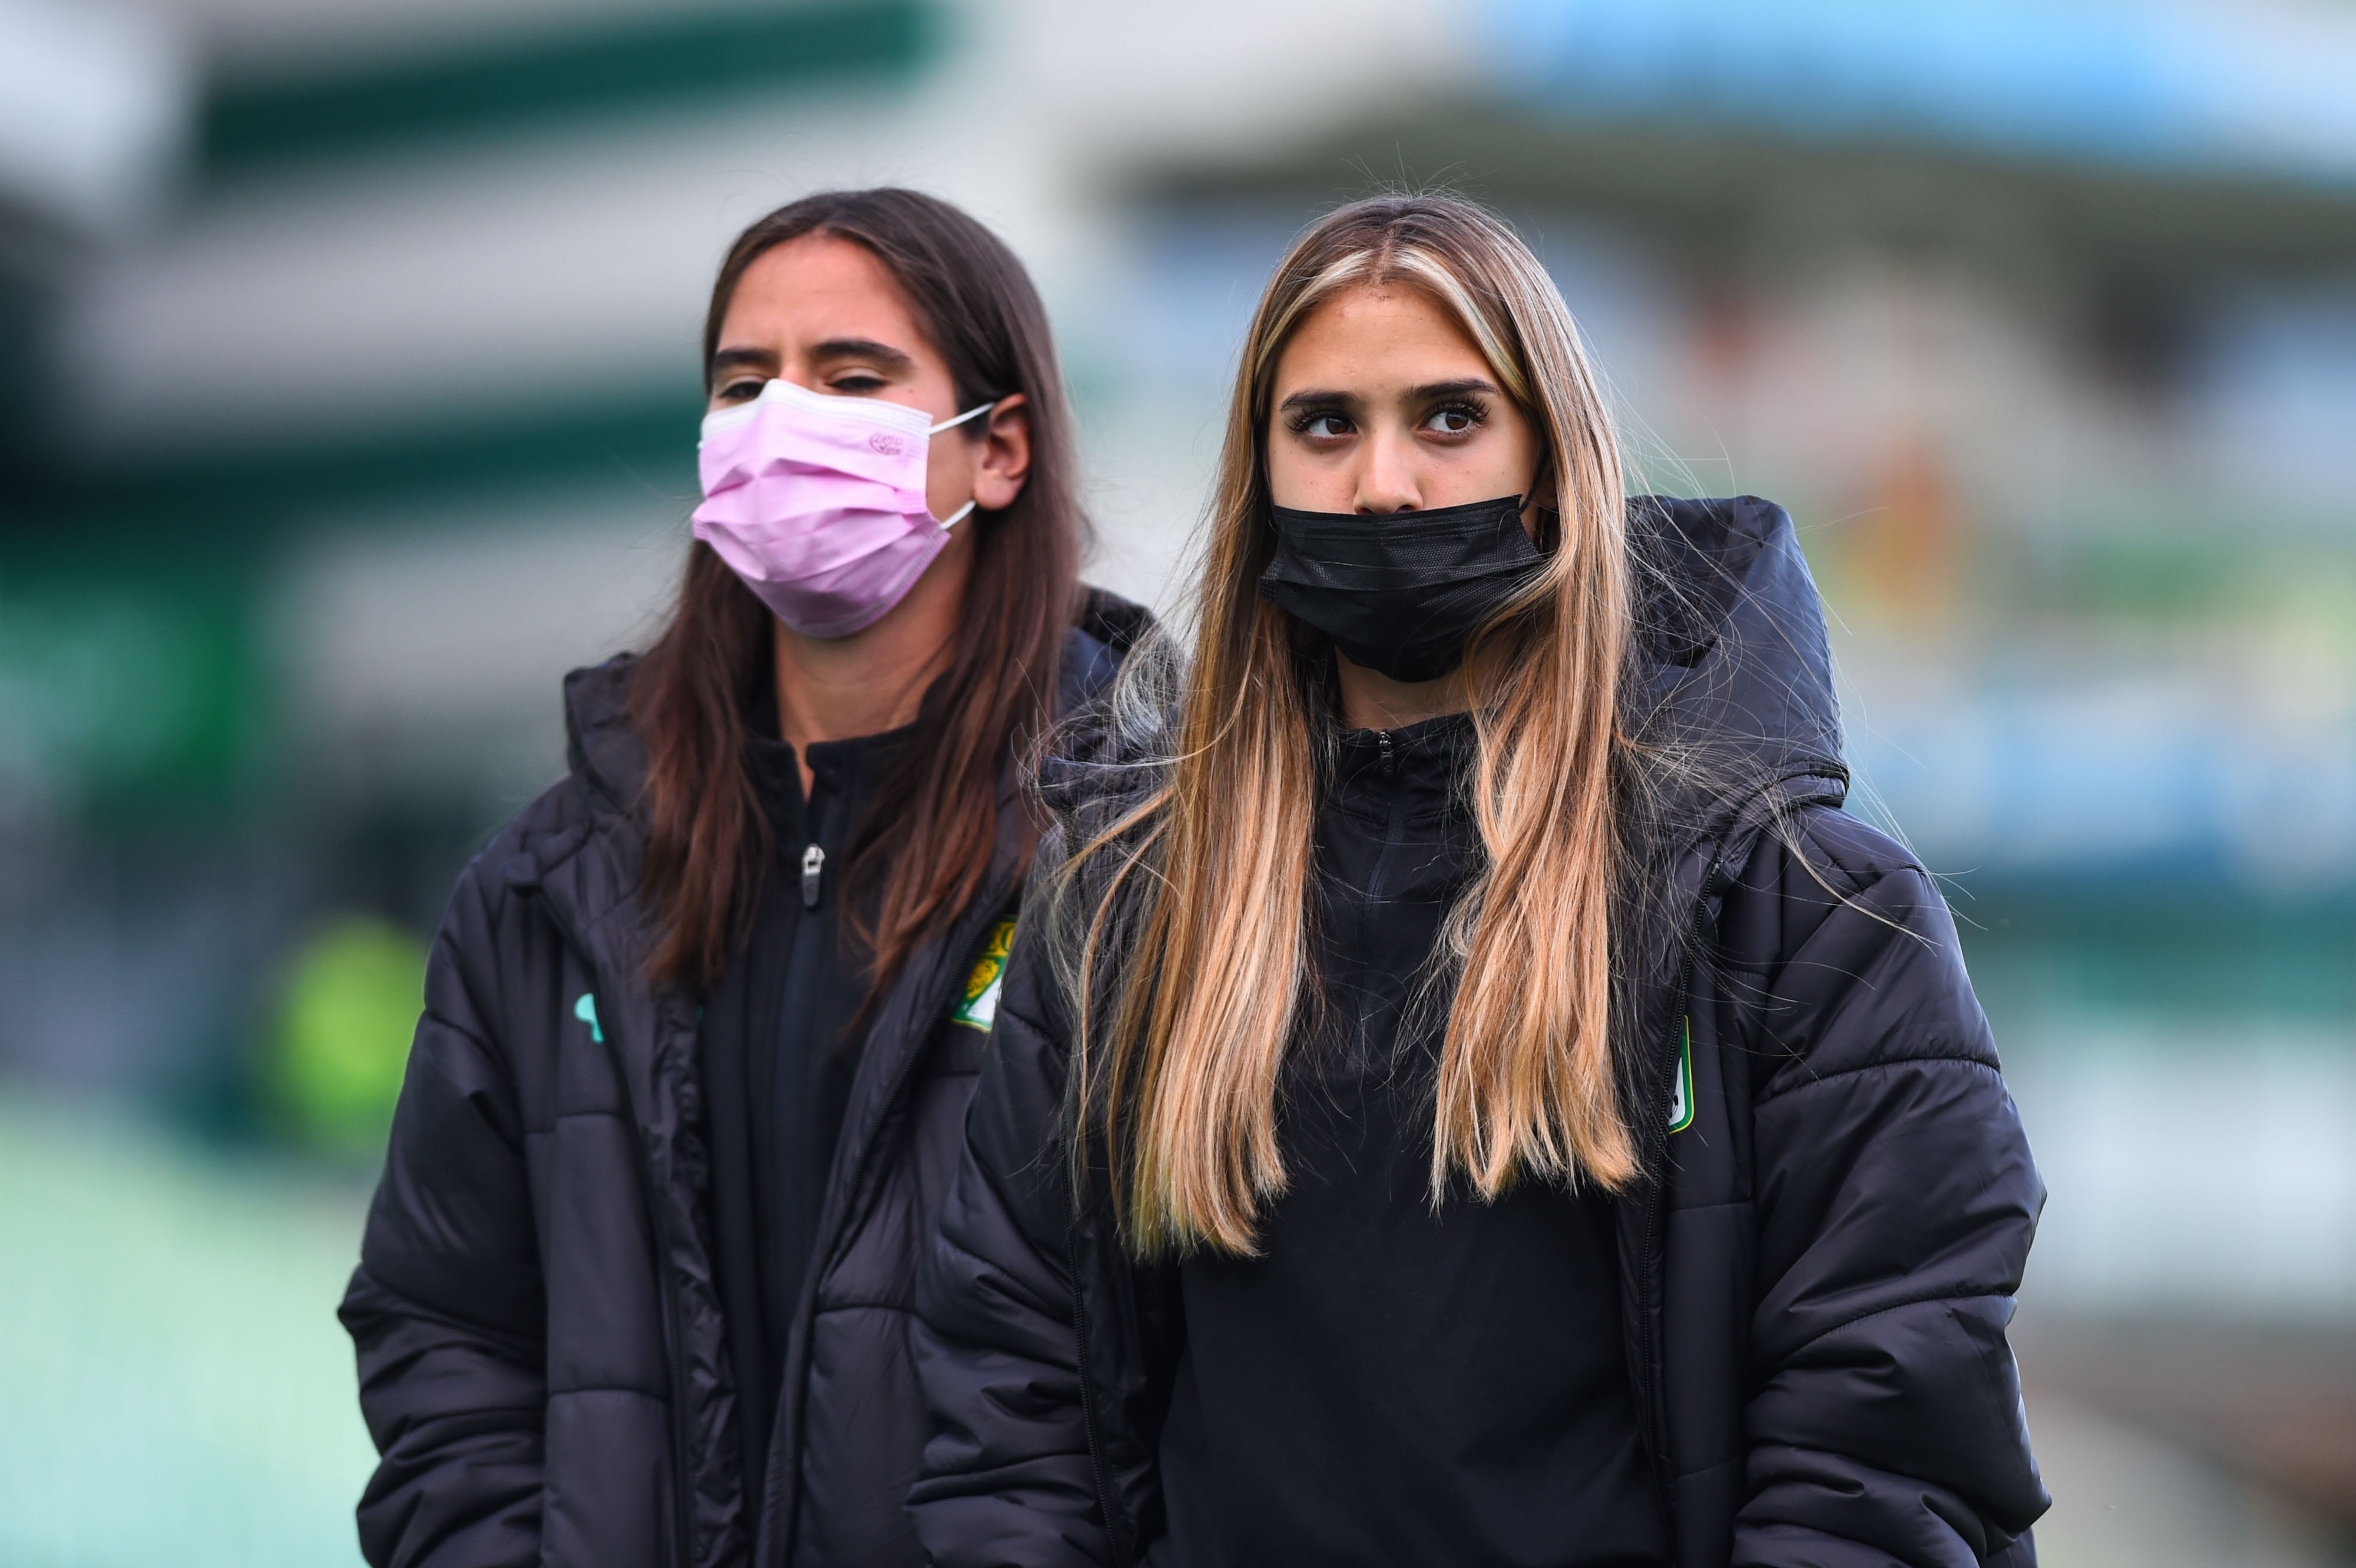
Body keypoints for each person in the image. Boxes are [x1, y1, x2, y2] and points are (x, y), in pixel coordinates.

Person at [909, 194, 2048, 1568]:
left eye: (1449, 419)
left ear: (1553, 462)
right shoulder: (1123, 903)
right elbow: (1011, 1397)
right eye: (1324, 425)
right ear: (1257, 477)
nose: (1382, 483)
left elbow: (1882, 1437)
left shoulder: (1796, 909)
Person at [340, 187, 1147, 1568]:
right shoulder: (551, 884)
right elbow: (444, 1325)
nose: (784, 421)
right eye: (742, 382)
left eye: (850, 376)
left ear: (997, 447)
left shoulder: (1134, 867)